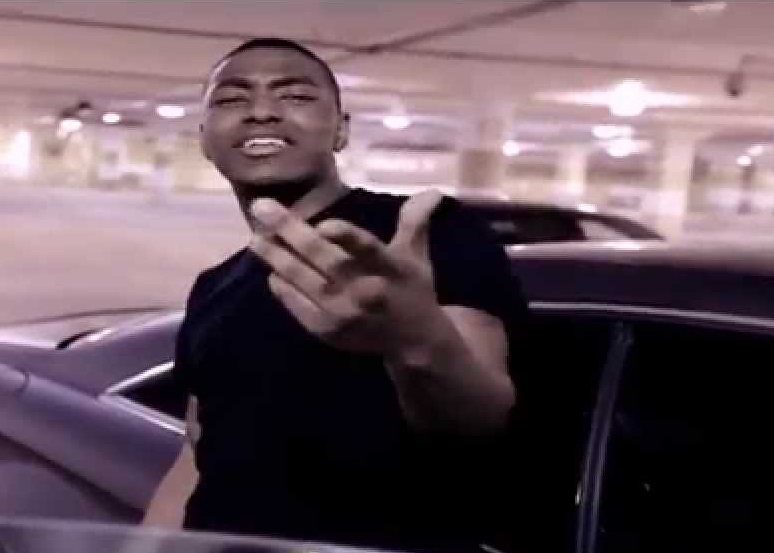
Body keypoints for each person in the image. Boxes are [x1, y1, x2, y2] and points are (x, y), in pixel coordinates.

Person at [144, 37, 527, 552]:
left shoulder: (424, 234)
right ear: (205, 139)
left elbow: (480, 422)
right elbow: (197, 451)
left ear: (341, 130)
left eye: (295, 95)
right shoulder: (215, 285)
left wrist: (415, 338)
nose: (261, 112)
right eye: (232, 99)